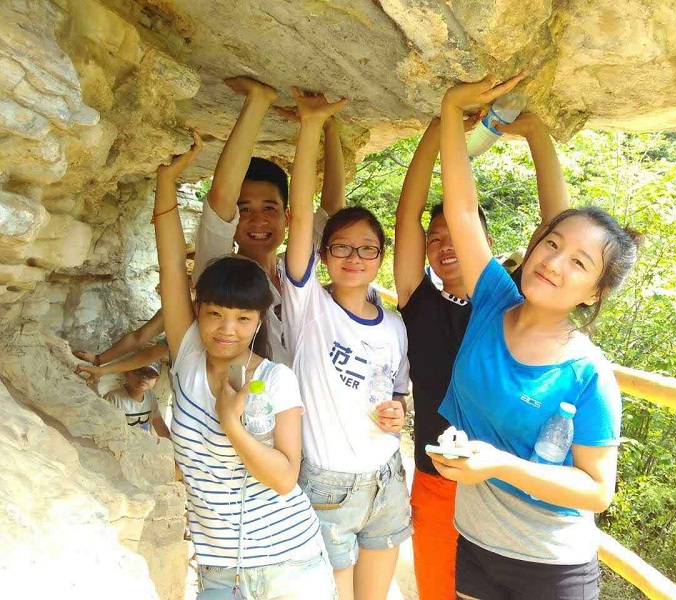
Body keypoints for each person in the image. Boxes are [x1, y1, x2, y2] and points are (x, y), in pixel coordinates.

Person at [428, 74, 641, 600]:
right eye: (551, 244)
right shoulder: (493, 300)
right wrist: (452, 108)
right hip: (476, 542)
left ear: (594, 292)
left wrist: (500, 465)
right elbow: (461, 211)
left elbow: (597, 490)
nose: (554, 263)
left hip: (550, 565)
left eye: (579, 263)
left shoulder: (587, 374)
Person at [393, 112, 570, 600]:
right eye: (435, 239)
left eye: (457, 233)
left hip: (503, 486)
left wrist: (536, 133)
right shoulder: (417, 302)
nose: (444, 245)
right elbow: (406, 216)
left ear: (484, 244)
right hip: (436, 480)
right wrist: (436, 130)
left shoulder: (512, 304)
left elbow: (559, 230)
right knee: (436, 590)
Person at [154, 130, 335, 598]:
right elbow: (171, 266)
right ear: (198, 312)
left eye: (242, 318)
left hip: (289, 564)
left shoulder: (276, 381)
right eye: (215, 314)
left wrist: (232, 424)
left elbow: (284, 477)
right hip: (218, 568)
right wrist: (165, 182)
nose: (226, 330)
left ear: (258, 321)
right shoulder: (188, 359)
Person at [283, 87, 411, 600]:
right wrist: (311, 124)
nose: (354, 258)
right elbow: (299, 216)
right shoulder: (309, 307)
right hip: (327, 486)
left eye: (367, 249)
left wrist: (399, 413)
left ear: (381, 257)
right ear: (324, 254)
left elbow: (397, 394)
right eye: (342, 247)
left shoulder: (395, 326)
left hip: (387, 478)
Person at [192, 76, 347, 366]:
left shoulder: (294, 267)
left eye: (269, 208)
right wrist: (257, 102)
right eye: (245, 210)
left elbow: (333, 213)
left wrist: (329, 128)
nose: (258, 220)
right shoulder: (220, 269)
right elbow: (221, 198)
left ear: (287, 217)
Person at [103, 362, 171, 438]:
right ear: (126, 372)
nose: (144, 377)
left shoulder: (151, 396)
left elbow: (158, 423)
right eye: (139, 371)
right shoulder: (113, 398)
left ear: (157, 380)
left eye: (151, 374)